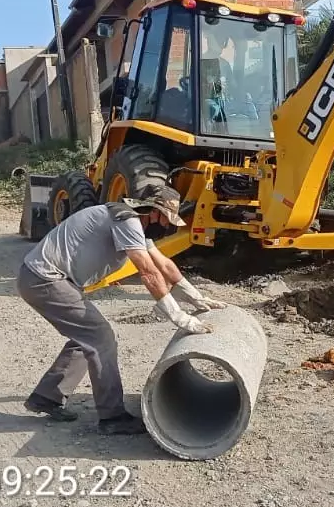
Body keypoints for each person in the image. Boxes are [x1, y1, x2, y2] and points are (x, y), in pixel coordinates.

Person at [16, 182, 229, 435]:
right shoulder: (127, 220)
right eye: (164, 217)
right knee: (100, 337)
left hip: (45, 278)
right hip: (45, 279)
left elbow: (163, 265)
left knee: (86, 336)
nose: (165, 224)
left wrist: (197, 298)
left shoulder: (131, 223)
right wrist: (179, 317)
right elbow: (148, 272)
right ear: (152, 209)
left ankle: (47, 397)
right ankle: (113, 417)